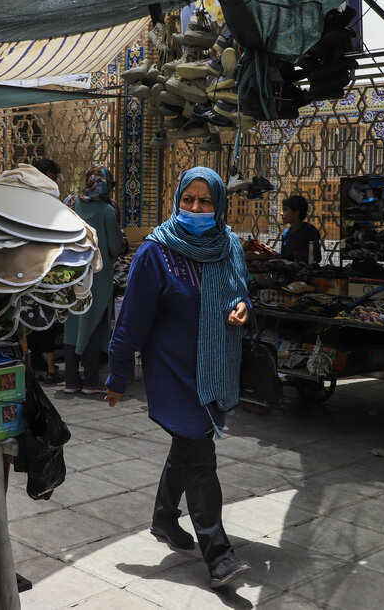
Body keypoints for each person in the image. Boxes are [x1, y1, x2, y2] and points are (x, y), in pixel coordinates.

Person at [105, 166, 252, 589]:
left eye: (205, 201)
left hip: (214, 366)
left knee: (188, 444)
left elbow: (241, 289)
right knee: (200, 455)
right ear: (176, 200)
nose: (196, 208)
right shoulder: (156, 251)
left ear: (218, 205)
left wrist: (243, 307)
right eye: (188, 199)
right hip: (173, 370)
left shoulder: (229, 245)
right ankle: (219, 555)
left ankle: (164, 519)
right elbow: (131, 321)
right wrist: (117, 375)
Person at [63, 164, 123, 395]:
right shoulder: (108, 211)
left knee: (72, 324)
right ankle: (90, 380)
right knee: (94, 324)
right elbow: (114, 247)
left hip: (72, 272)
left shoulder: (71, 204)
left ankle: (71, 380)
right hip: (98, 276)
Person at [27, 158, 66, 383]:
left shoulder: (47, 201)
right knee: (34, 319)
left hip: (44, 269)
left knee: (45, 319)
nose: (53, 184)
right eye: (50, 178)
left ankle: (46, 369)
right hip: (32, 269)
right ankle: (40, 368)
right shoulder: (31, 200)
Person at [279, 194, 321, 263]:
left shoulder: (309, 231)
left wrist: (294, 258)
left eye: (285, 210)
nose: (281, 213)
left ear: (296, 213)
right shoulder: (286, 233)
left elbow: (316, 257)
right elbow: (283, 257)